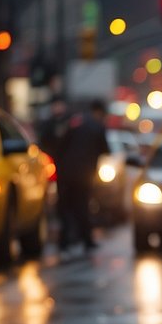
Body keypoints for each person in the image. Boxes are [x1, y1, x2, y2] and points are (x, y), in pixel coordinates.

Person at [54, 99, 110, 253]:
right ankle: (86, 240)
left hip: (65, 173)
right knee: (82, 206)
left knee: (65, 207)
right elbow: (105, 150)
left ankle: (64, 241)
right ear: (100, 112)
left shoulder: (75, 123)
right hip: (84, 174)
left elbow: (60, 145)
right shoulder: (97, 127)